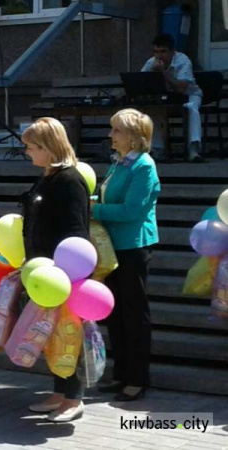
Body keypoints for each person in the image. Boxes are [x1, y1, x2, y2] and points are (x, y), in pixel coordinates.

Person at [20, 117, 90, 422]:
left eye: (32, 147)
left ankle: (74, 397)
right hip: (43, 271)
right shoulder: (48, 176)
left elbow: (77, 231)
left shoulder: (69, 180)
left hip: (63, 273)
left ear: (49, 148)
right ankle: (60, 391)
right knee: (51, 334)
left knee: (69, 335)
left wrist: (65, 270)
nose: (27, 152)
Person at [94, 108, 160, 402]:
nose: (111, 135)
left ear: (134, 137)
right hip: (112, 247)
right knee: (116, 313)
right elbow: (108, 196)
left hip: (133, 247)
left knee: (134, 313)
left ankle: (137, 378)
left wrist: (92, 209)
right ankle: (120, 373)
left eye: (117, 130)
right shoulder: (119, 163)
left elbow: (132, 211)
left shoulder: (144, 166)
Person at [141, 33, 204, 163]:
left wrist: (162, 72)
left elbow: (181, 88)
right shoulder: (151, 62)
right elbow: (140, 80)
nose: (158, 56)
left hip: (189, 94)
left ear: (172, 51)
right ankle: (158, 149)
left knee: (191, 107)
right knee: (153, 110)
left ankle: (193, 149)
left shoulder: (183, 61)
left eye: (163, 51)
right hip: (167, 97)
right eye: (156, 52)